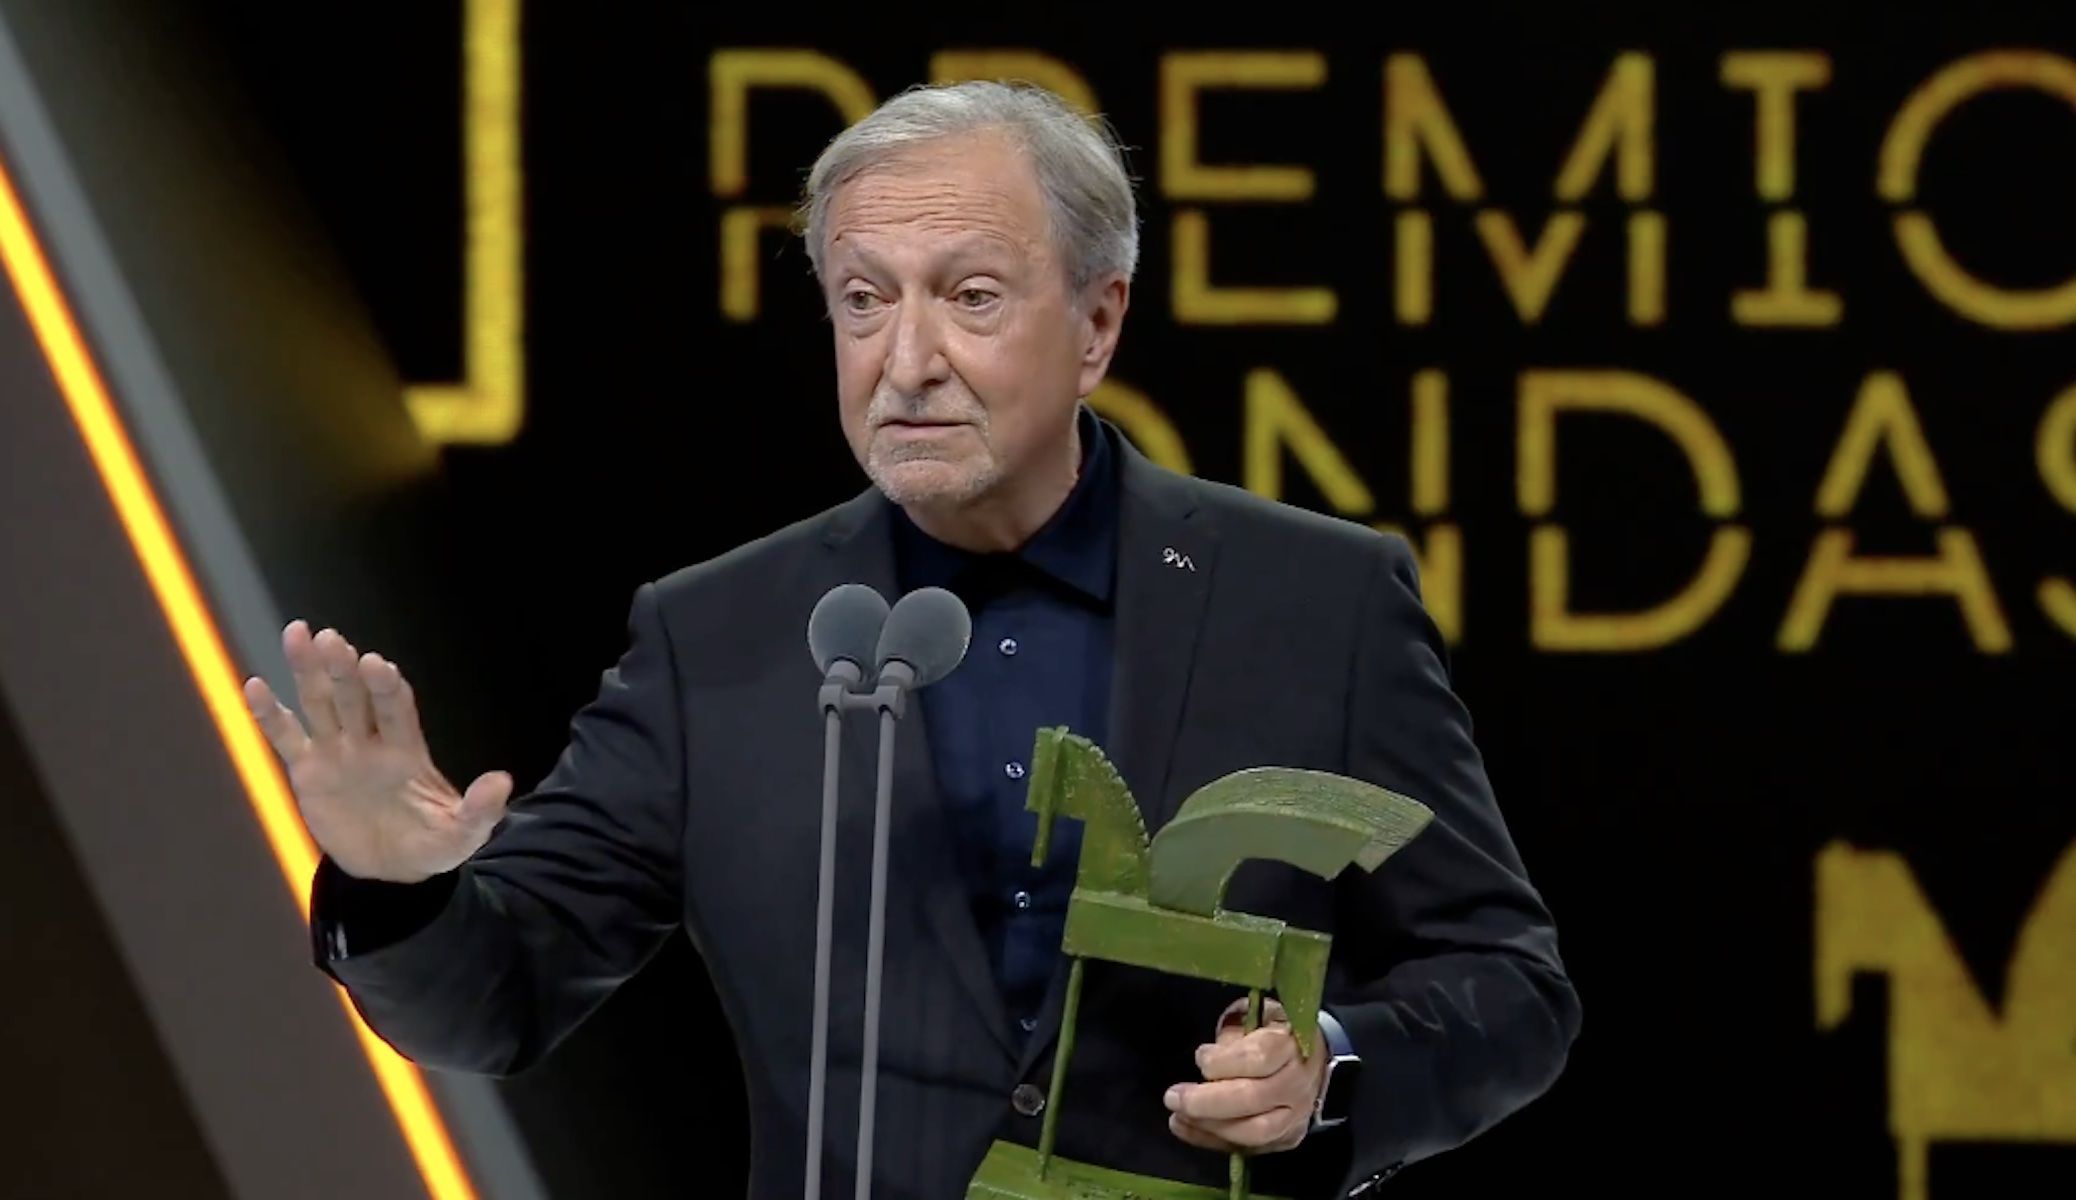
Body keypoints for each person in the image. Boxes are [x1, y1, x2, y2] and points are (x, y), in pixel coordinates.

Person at [243, 80, 1579, 1199]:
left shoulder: (1316, 601)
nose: (906, 360)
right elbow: (500, 997)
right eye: (865, 300)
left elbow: (1509, 990)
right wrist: (396, 887)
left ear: (1099, 321)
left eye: (972, 297)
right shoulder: (721, 636)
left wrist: (1328, 1069)